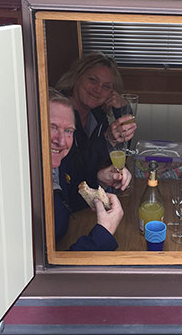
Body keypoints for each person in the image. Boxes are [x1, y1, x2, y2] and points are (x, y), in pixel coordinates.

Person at [48, 88, 129, 251]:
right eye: (52, 127)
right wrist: (103, 233)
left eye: (68, 130)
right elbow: (52, 273)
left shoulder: (57, 166)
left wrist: (99, 179)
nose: (61, 141)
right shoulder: (22, 187)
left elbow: (66, 202)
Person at [56, 52, 137, 211]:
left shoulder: (97, 115)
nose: (98, 89)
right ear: (77, 77)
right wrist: (107, 140)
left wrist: (122, 110)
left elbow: (118, 156)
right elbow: (70, 172)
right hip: (67, 206)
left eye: (106, 86)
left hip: (87, 201)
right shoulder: (59, 112)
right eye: (92, 80)